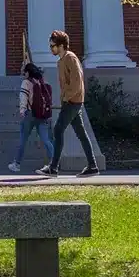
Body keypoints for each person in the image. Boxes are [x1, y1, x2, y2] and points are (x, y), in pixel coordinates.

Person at [38, 29, 100, 177]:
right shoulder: (61, 61)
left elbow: (77, 82)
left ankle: (53, 167)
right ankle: (93, 166)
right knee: (81, 134)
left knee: (58, 130)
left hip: (73, 101)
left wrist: (67, 98)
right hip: (70, 101)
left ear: (61, 45)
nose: (51, 48)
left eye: (53, 46)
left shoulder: (70, 58)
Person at [8, 60, 57, 172]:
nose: (23, 74)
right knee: (46, 140)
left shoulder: (26, 83)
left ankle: (17, 164)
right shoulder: (42, 82)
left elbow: (23, 97)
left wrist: (22, 109)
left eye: (24, 72)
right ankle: (54, 164)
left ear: (28, 73)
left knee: (23, 140)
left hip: (30, 114)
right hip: (43, 115)